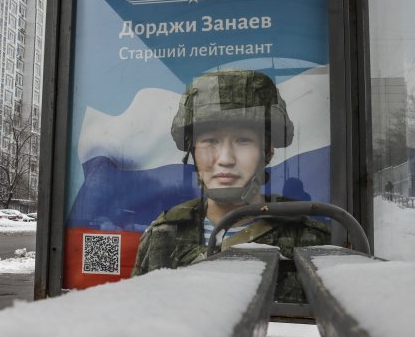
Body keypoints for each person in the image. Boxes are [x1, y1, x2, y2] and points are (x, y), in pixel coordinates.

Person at [131, 68, 330, 303]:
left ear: (268, 151)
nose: (225, 158)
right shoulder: (162, 237)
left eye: (243, 140)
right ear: (192, 151)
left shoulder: (310, 241)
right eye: (210, 141)